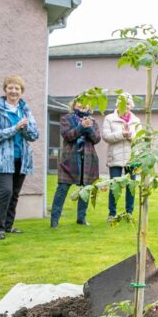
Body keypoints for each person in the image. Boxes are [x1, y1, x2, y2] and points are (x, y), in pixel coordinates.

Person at [0, 74, 39, 240]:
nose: (13, 91)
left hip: (21, 159)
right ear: (5, 90)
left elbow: (34, 135)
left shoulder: (25, 110)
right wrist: (15, 127)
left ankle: (8, 226)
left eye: (17, 88)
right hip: (1, 160)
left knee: (14, 193)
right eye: (10, 87)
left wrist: (23, 128)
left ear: (21, 91)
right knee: (5, 191)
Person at [50, 97, 101, 228]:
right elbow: (68, 135)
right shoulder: (66, 119)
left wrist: (88, 128)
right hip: (70, 159)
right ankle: (54, 221)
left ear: (89, 106)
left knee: (85, 190)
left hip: (88, 160)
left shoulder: (93, 121)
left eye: (86, 102)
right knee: (62, 189)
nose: (83, 104)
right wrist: (81, 126)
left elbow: (96, 139)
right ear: (74, 104)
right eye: (80, 102)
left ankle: (81, 219)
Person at [102, 94, 140, 220]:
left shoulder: (136, 120)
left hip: (132, 158)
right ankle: (111, 214)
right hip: (115, 157)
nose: (126, 106)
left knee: (131, 186)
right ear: (118, 105)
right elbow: (106, 136)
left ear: (131, 105)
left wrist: (129, 135)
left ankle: (129, 213)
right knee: (114, 186)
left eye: (128, 104)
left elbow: (139, 138)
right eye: (123, 103)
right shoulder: (109, 118)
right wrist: (121, 134)